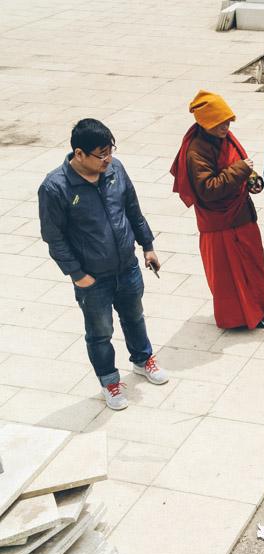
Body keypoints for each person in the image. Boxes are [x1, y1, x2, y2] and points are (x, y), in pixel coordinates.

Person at [38, 118, 168, 411]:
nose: (108, 159)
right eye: (101, 154)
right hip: (92, 278)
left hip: (127, 266)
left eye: (110, 150)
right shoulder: (55, 187)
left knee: (135, 316)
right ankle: (109, 380)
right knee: (100, 332)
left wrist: (147, 247)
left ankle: (142, 359)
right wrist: (77, 274)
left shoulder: (115, 170)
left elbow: (133, 209)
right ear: (79, 154)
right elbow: (53, 237)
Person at [171, 90, 264, 329]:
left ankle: (258, 307)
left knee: (252, 264)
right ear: (205, 123)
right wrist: (240, 171)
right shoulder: (196, 152)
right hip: (219, 224)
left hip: (241, 215)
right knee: (231, 275)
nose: (225, 126)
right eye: (219, 123)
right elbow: (208, 189)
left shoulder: (224, 137)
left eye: (227, 121)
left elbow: (240, 163)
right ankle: (240, 318)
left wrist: (251, 179)